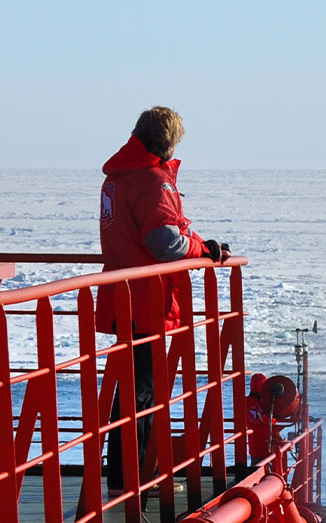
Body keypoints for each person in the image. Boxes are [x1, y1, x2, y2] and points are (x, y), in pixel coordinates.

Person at [96, 106, 231, 496]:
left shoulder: (116, 179)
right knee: (143, 393)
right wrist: (202, 248)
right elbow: (163, 242)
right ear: (168, 141)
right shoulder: (154, 180)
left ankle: (125, 476)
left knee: (132, 390)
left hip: (123, 295)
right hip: (147, 299)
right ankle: (130, 480)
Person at [246, 373, 274, 465]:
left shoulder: (245, 402)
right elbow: (273, 421)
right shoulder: (268, 402)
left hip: (254, 444)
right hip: (268, 443)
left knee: (254, 466)